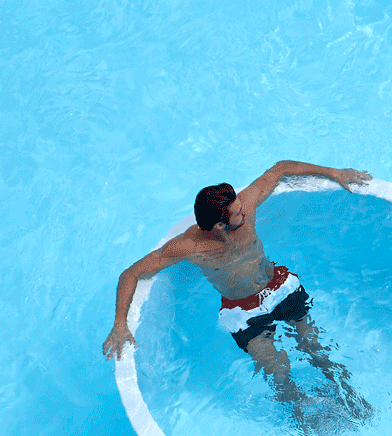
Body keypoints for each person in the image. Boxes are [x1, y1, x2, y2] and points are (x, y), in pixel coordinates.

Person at [103, 160, 370, 410]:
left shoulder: (246, 208)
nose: (244, 208)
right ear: (219, 224)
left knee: (310, 343)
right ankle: (302, 416)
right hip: (242, 309)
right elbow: (131, 273)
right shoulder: (189, 246)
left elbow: (280, 169)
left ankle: (347, 392)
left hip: (278, 286)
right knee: (276, 370)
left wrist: (335, 173)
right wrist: (119, 323)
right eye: (236, 212)